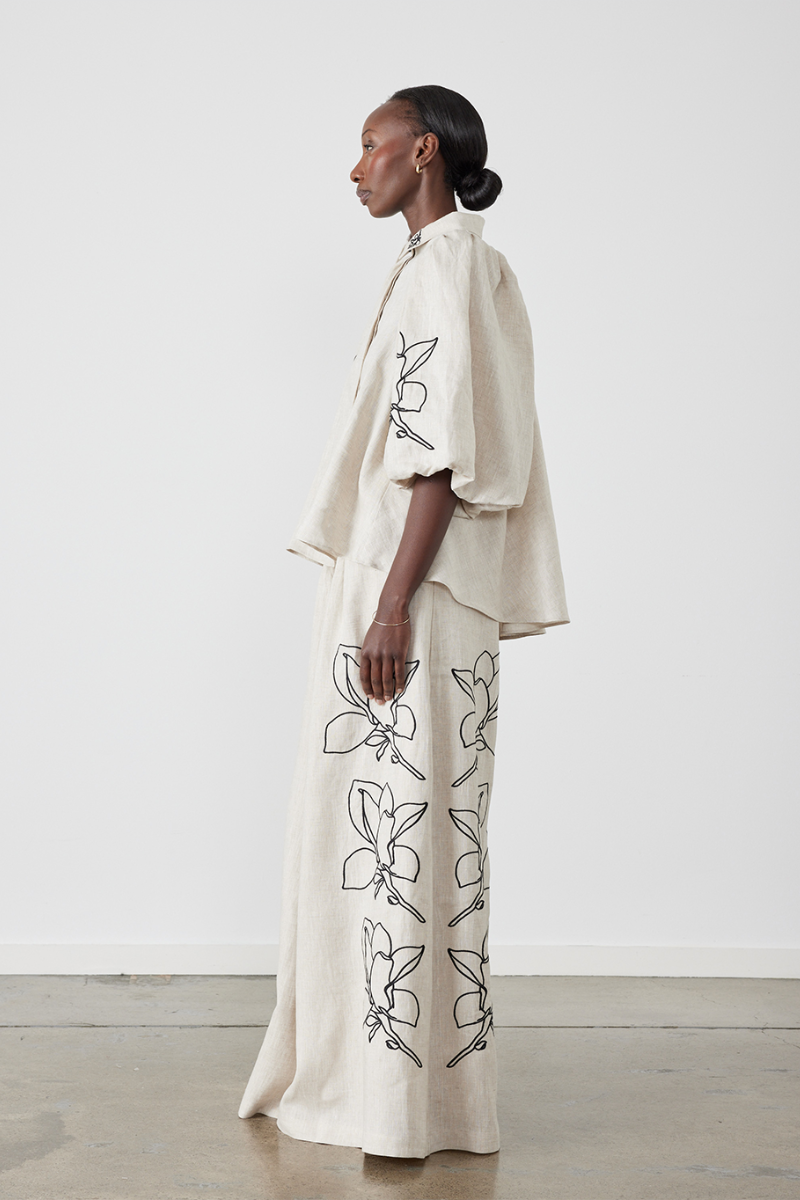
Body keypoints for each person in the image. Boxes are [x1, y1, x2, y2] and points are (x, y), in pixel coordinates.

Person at [238, 84, 569, 1159]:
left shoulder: (447, 267)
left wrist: (389, 605)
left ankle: (387, 1108)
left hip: (409, 590)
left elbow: (438, 456)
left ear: (422, 151)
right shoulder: (458, 264)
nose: (355, 167)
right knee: (417, 837)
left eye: (370, 145)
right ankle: (418, 1102)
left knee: (391, 839)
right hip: (427, 588)